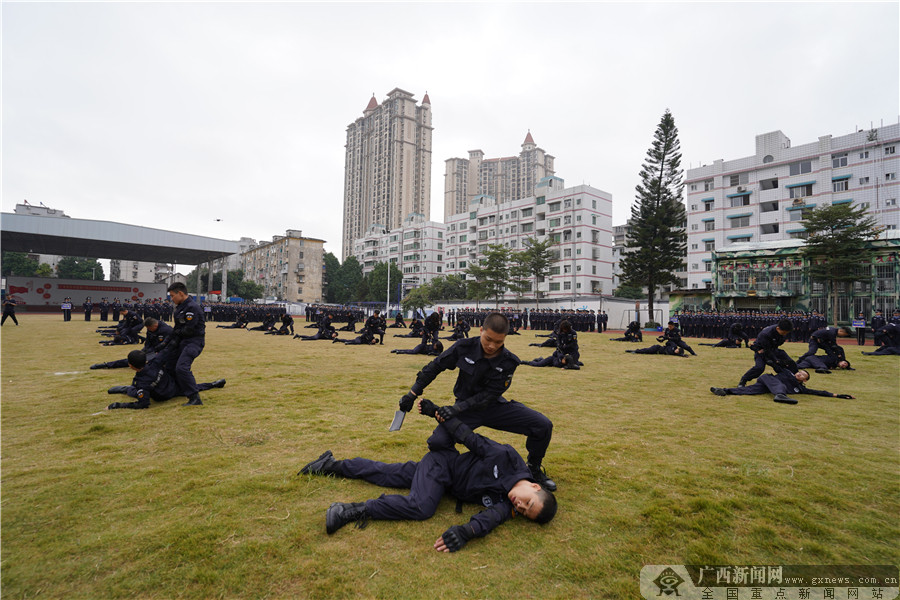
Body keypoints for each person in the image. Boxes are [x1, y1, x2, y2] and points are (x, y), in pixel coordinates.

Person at [297, 407, 557, 551]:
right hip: (443, 464)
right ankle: (350, 510)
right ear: (534, 487)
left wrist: (467, 531)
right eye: (528, 504)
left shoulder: (509, 502)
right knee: (421, 507)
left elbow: (493, 517)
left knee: (388, 473)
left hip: (444, 481)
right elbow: (471, 439)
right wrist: (440, 415)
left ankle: (330, 465)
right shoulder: (507, 457)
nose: (520, 507)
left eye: (524, 512)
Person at [395, 312, 557, 491]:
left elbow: (487, 396)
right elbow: (435, 366)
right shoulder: (464, 346)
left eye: (498, 342)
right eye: (488, 339)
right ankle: (453, 470)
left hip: (493, 407)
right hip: (465, 410)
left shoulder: (509, 361)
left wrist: (455, 409)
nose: (491, 345)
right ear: (481, 330)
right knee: (438, 442)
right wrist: (412, 393)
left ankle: (533, 469)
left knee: (542, 425)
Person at [106, 350, 226, 409]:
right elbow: (166, 352)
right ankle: (213, 384)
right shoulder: (155, 362)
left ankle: (124, 389)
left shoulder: (140, 382)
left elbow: (143, 403)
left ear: (131, 366)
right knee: (194, 387)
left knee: (133, 390)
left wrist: (119, 405)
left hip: (163, 395)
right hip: (172, 387)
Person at [160, 282, 206, 406]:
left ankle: (194, 398)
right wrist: (165, 343)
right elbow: (177, 329)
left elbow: (188, 330)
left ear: (180, 293)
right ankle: (175, 390)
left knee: (181, 368)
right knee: (169, 365)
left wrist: (175, 337)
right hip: (182, 341)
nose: (171, 299)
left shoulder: (192, 307)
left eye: (172, 296)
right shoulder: (180, 308)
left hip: (193, 342)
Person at [710, 369, 854, 405]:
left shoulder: (801, 388)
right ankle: (780, 396)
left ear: (805, 380)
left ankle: (724, 391)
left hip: (767, 388)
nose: (800, 373)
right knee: (774, 382)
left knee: (750, 390)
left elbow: (817, 392)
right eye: (800, 372)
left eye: (803, 374)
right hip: (768, 379)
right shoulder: (786, 373)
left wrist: (837, 395)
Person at [91, 318, 173, 369]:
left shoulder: (167, 330)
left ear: (155, 325)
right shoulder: (150, 327)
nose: (149, 330)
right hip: (153, 349)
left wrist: (157, 352)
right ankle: (107, 365)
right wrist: (145, 350)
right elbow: (148, 341)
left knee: (150, 364)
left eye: (150, 329)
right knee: (136, 359)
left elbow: (170, 345)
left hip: (164, 352)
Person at [737, 319, 797, 387]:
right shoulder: (766, 334)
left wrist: (778, 361)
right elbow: (767, 350)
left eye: (786, 333)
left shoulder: (782, 330)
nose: (785, 334)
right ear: (778, 328)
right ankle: (743, 380)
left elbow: (777, 345)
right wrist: (776, 361)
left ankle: (796, 381)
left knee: (790, 363)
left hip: (774, 350)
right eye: (784, 333)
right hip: (762, 351)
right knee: (759, 368)